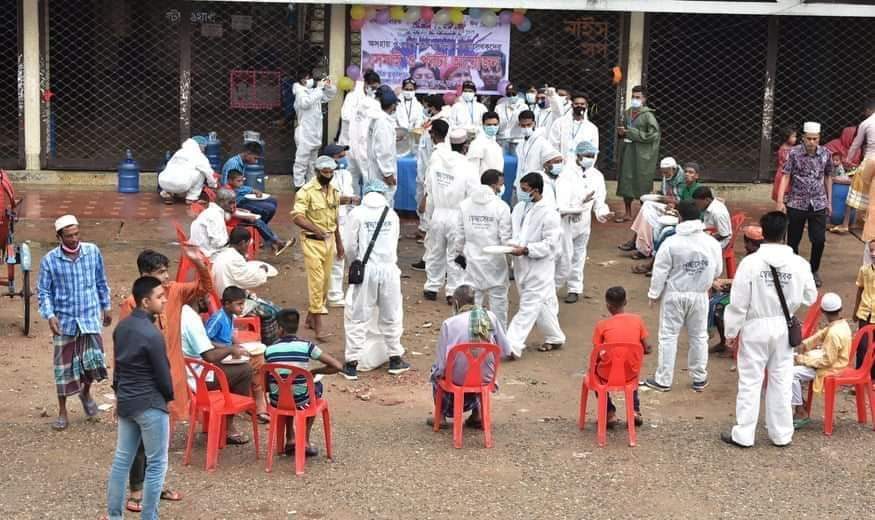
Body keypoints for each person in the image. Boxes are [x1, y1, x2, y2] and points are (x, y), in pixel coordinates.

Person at [118, 248, 210, 511]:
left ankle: (156, 486)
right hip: (142, 383)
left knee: (162, 438)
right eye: (160, 273)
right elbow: (125, 349)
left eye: (166, 271)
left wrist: (198, 263)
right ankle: (136, 491)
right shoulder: (130, 305)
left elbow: (205, 287)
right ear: (145, 276)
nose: (167, 277)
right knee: (139, 439)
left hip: (170, 379)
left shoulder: (175, 292)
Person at [722, 211, 818, 448]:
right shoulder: (799, 264)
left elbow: (738, 302)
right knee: (781, 380)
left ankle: (744, 434)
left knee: (750, 381)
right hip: (784, 327)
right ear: (785, 232)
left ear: (763, 233)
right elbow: (810, 296)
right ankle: (781, 434)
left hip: (755, 325)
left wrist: (731, 333)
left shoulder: (751, 263)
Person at [38, 215, 112, 431]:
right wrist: (50, 315)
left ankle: (86, 393)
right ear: (59, 237)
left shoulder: (92, 252)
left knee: (92, 363)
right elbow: (43, 292)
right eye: (69, 236)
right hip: (65, 321)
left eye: (76, 234)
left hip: (89, 318)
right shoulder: (50, 260)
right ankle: (62, 411)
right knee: (63, 367)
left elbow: (101, 281)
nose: (74, 239)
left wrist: (106, 307)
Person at [105, 277, 171, 520]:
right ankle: (149, 516)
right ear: (145, 301)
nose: (164, 299)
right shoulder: (153, 335)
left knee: (122, 460)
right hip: (151, 403)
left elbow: (118, 367)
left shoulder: (122, 328)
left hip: (127, 401)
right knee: (156, 465)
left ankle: (114, 516)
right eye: (159, 296)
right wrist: (169, 398)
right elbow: (163, 374)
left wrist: (118, 396)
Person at [644, 200, 723, 392]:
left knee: (668, 336)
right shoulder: (711, 243)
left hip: (674, 295)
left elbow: (660, 271)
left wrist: (653, 295)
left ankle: (664, 379)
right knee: (699, 337)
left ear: (679, 217)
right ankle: (699, 378)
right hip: (700, 295)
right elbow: (717, 270)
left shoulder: (671, 242)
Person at [342, 179, 410, 380]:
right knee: (391, 314)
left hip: (367, 270)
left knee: (358, 315)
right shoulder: (391, 214)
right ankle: (395, 358)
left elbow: (349, 246)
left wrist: (356, 262)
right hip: (389, 270)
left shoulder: (357, 214)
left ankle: (352, 363)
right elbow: (394, 242)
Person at [427, 285, 513, 429]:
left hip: (457, 380)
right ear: (474, 301)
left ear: (455, 304)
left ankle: (440, 416)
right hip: (486, 379)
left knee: (436, 371)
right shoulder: (489, 316)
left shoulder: (449, 323)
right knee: (478, 368)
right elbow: (505, 350)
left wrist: (435, 374)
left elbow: (441, 365)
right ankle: (477, 414)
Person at [264, 309, 344, 456]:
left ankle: (290, 438)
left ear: (280, 329)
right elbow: (337, 366)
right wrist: (315, 372)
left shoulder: (269, 350)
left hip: (277, 401)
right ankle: (305, 440)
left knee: (285, 388)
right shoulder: (307, 346)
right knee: (316, 387)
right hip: (301, 400)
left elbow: (266, 380)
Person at [506, 173, 565, 356]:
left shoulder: (550, 213)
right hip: (521, 265)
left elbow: (550, 244)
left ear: (536, 190)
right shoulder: (519, 208)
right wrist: (511, 246)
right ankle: (555, 337)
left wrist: (526, 250)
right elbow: (514, 233)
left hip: (540, 267)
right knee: (541, 305)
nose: (521, 193)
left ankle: (511, 345)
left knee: (528, 307)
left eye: (524, 190)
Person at [422, 124, 479, 303]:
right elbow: (473, 195)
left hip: (438, 213)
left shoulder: (437, 163)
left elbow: (428, 191)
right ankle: (452, 290)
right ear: (465, 146)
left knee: (435, 250)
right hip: (458, 215)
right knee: (455, 254)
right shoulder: (468, 167)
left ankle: (431, 286)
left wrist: (428, 217)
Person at [452, 169, 512, 327]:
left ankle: (471, 338)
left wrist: (458, 253)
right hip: (495, 261)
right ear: (494, 185)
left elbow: (459, 235)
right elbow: (506, 238)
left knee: (472, 301)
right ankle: (500, 340)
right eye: (501, 185)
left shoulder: (465, 205)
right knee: (499, 302)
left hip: (472, 260)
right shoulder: (501, 207)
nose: (502, 188)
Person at [292, 156, 343, 341]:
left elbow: (335, 217)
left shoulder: (334, 190)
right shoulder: (306, 191)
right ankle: (319, 326)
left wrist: (339, 242)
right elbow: (297, 216)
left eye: (331, 172)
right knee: (316, 281)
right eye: (325, 172)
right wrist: (316, 230)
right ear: (317, 172)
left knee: (325, 283)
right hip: (312, 241)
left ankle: (311, 318)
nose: (328, 175)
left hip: (329, 241)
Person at [776, 121, 833, 287]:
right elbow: (785, 176)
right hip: (796, 202)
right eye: (809, 138)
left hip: (818, 202)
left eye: (815, 139)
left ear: (819, 138)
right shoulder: (794, 153)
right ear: (803, 138)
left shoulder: (826, 154)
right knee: (793, 240)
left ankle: (814, 269)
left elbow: (828, 176)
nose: (812, 142)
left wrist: (829, 201)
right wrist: (780, 200)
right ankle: (792, 270)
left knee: (819, 239)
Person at [591, 286, 652, 427]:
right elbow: (646, 347)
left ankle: (609, 413)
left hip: (607, 374)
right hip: (630, 373)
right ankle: (635, 411)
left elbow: (596, 352)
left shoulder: (602, 325)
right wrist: (647, 349)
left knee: (594, 375)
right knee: (632, 374)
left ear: (607, 305)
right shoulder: (638, 320)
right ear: (626, 302)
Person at [559, 141, 612, 303]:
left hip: (584, 223)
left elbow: (599, 202)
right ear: (578, 155)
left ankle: (574, 289)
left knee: (579, 256)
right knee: (563, 258)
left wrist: (603, 213)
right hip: (566, 223)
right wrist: (581, 201)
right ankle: (552, 287)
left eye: (593, 156)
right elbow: (562, 204)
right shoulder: (565, 174)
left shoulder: (597, 176)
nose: (590, 159)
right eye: (587, 156)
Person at [791, 292, 851, 429]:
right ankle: (800, 402)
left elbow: (826, 362)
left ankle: (800, 411)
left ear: (823, 311)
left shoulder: (834, 334)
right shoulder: (841, 325)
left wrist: (802, 359)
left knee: (791, 374)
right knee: (796, 368)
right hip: (836, 363)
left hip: (830, 368)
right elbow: (821, 333)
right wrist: (805, 344)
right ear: (840, 309)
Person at [709, 225, 763, 354]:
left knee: (717, 306)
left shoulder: (751, 260)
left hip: (752, 300)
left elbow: (742, 284)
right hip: (757, 296)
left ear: (749, 243)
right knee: (717, 294)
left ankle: (725, 341)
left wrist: (722, 282)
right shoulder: (761, 257)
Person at [618, 156, 685, 257]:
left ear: (674, 169)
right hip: (666, 205)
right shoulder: (668, 176)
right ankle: (640, 244)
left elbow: (679, 200)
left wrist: (663, 199)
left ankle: (640, 245)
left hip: (677, 210)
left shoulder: (682, 179)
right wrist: (656, 194)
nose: (664, 175)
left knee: (647, 207)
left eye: (666, 172)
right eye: (662, 172)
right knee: (646, 208)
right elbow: (664, 192)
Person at [412, 94, 451, 249]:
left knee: (428, 203)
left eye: (427, 106)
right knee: (422, 200)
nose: (425, 109)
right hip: (424, 169)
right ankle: (423, 228)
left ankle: (428, 233)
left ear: (432, 107)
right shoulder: (431, 122)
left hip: (431, 170)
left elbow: (433, 152)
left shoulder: (440, 124)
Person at [616, 85, 661, 223]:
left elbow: (653, 135)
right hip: (628, 151)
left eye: (638, 97)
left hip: (642, 154)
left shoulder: (648, 115)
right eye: (633, 97)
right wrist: (621, 133)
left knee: (643, 182)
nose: (634, 100)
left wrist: (632, 133)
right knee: (626, 181)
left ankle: (644, 214)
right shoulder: (627, 113)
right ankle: (628, 213)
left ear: (644, 99)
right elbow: (623, 131)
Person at [325, 143, 360, 307]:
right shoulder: (323, 177)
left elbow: (349, 194)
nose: (343, 159)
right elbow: (328, 199)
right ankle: (333, 295)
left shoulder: (345, 174)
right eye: (340, 157)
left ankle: (334, 292)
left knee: (343, 255)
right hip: (330, 220)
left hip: (346, 219)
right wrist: (348, 199)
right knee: (335, 257)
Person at [226, 170, 293, 255]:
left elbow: (233, 209)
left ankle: (274, 241)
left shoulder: (231, 190)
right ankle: (276, 242)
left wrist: (244, 211)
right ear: (230, 180)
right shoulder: (227, 193)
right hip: (234, 222)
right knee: (257, 220)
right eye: (238, 181)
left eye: (242, 180)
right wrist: (248, 216)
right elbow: (230, 211)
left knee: (259, 218)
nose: (241, 183)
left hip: (237, 216)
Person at [293, 71, 337, 190]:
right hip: (304, 133)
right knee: (301, 162)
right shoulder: (300, 92)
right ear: (302, 80)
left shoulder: (312, 92)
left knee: (312, 163)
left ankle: (310, 186)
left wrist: (328, 86)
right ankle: (299, 186)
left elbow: (329, 96)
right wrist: (318, 89)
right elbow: (305, 103)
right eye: (308, 78)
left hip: (315, 133)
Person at [340, 71, 382, 192]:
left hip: (365, 143)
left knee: (367, 176)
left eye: (376, 88)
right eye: (373, 87)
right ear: (366, 85)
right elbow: (345, 115)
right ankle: (351, 203)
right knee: (351, 176)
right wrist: (362, 109)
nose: (374, 90)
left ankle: (367, 204)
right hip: (350, 142)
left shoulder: (374, 99)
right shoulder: (352, 97)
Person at [157, 136, 216, 205]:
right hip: (182, 184)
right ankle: (192, 198)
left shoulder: (178, 152)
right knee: (201, 173)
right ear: (200, 146)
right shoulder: (199, 155)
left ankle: (168, 194)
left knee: (173, 171)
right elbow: (208, 172)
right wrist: (213, 184)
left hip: (163, 182)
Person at [367, 86, 400, 207]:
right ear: (392, 105)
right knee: (384, 202)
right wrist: (388, 174)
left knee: (376, 200)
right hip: (382, 172)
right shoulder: (383, 122)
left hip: (376, 168)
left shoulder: (377, 119)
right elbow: (383, 150)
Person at [548, 92, 599, 163]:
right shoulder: (560, 123)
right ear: (572, 105)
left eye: (582, 104)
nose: (579, 106)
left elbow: (593, 151)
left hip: (581, 167)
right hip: (562, 166)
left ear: (586, 106)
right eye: (576, 104)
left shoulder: (592, 128)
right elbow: (553, 145)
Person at [189, 188, 237, 259]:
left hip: (200, 249)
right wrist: (232, 243)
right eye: (230, 203)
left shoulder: (212, 211)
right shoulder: (215, 216)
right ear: (221, 202)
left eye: (234, 202)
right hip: (208, 254)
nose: (233, 205)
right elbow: (217, 243)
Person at [513, 110, 552, 196]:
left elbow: (550, 163)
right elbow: (519, 166)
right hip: (521, 185)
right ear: (519, 125)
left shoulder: (542, 142)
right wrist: (516, 183)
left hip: (536, 186)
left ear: (534, 123)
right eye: (523, 125)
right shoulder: (520, 145)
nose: (526, 128)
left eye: (528, 125)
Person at [853, 240, 875, 379]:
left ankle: (872, 378)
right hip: (865, 312)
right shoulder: (864, 270)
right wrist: (855, 310)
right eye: (871, 250)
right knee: (862, 347)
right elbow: (860, 290)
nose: (873, 254)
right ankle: (859, 376)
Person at [467, 111, 505, 176]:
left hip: (495, 182)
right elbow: (473, 169)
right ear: (483, 125)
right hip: (482, 183)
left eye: (495, 124)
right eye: (489, 125)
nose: (492, 127)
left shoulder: (495, 143)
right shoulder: (477, 143)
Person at [394, 78, 425, 148]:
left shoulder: (418, 105)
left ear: (415, 90)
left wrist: (413, 135)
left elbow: (419, 122)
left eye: (411, 90)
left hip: (413, 137)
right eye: (406, 89)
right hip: (398, 136)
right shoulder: (396, 103)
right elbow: (393, 119)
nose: (408, 91)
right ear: (402, 89)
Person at [771, 127, 797, 203]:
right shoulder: (785, 150)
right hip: (784, 175)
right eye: (793, 136)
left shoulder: (791, 148)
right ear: (786, 137)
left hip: (786, 174)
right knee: (785, 195)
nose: (795, 138)